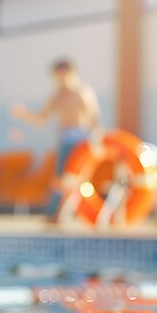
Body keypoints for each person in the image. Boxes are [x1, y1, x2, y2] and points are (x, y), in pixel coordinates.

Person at [11, 59, 103, 221]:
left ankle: (60, 214)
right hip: (64, 138)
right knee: (62, 178)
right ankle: (58, 213)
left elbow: (94, 118)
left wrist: (97, 141)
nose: (61, 79)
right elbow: (41, 119)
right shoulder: (58, 95)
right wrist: (23, 114)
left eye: (63, 75)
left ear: (71, 73)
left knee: (70, 178)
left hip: (80, 137)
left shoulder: (82, 92)